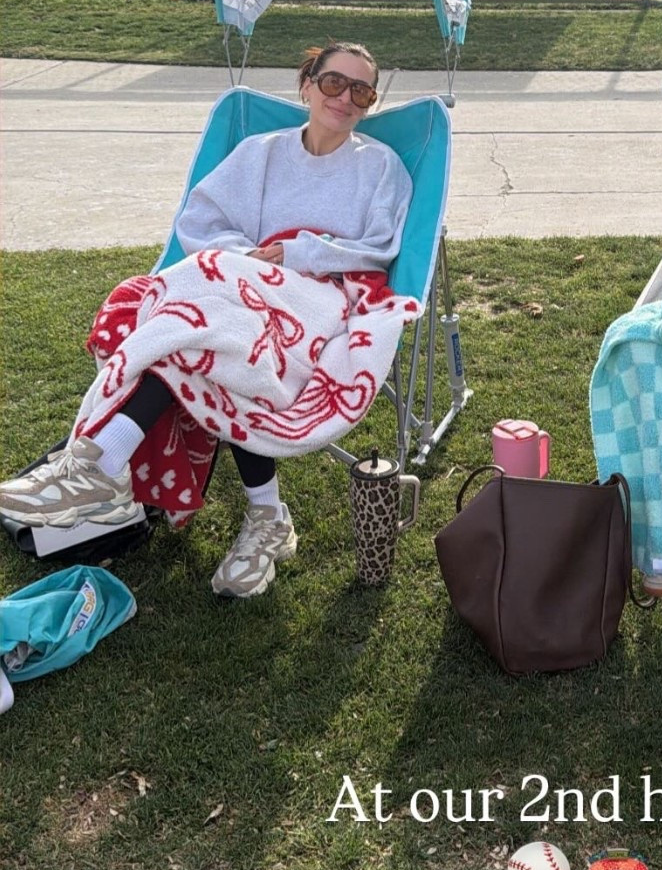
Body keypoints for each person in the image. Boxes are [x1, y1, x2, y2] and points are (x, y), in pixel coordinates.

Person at [0, 43, 412, 600]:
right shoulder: (259, 153)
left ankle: (99, 461)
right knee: (210, 331)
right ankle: (265, 516)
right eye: (335, 82)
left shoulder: (379, 166)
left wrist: (296, 254)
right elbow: (201, 221)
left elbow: (378, 249)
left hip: (316, 298)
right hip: (238, 285)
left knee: (198, 317)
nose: (347, 98)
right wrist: (244, 262)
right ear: (307, 85)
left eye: (362, 91)